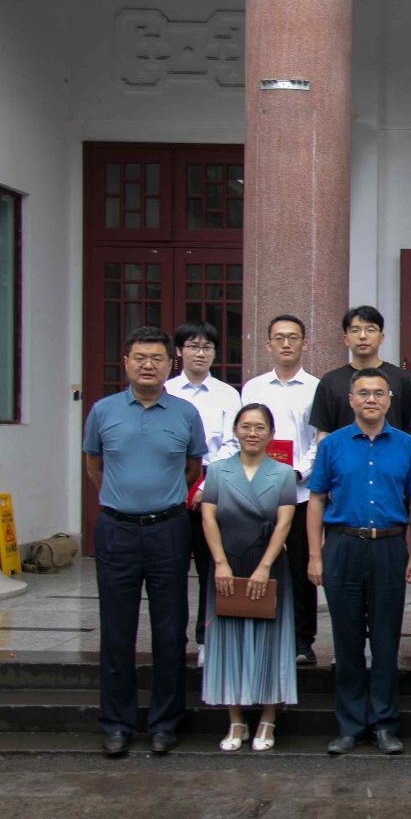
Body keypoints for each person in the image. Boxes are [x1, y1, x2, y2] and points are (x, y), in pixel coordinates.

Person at [83, 326, 206, 757]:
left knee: (170, 629)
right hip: (117, 529)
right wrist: (124, 499)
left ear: (170, 364)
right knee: (117, 630)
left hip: (168, 529)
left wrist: (158, 500)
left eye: (157, 358)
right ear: (126, 363)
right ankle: (116, 724)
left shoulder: (186, 414)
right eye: (140, 357)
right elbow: (94, 465)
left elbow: (192, 469)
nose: (148, 365)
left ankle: (165, 723)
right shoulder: (103, 411)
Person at [307, 367, 411, 756]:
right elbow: (316, 500)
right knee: (348, 639)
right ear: (351, 400)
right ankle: (350, 725)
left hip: (389, 547)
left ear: (389, 400)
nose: (371, 399)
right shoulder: (332, 445)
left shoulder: (407, 446)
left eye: (378, 393)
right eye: (363, 393)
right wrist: (315, 555)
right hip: (343, 546)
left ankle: (385, 724)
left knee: (386, 640)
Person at [200, 404, 298, 753]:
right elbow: (208, 518)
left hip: (268, 564)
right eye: (245, 426)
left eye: (259, 427)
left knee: (270, 639)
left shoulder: (284, 474)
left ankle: (268, 718)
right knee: (229, 638)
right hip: (228, 562)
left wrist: (265, 566)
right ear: (235, 431)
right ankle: (236, 720)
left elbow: (285, 522)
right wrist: (220, 563)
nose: (252, 433)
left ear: (271, 434)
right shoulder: (217, 471)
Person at [240, 314, 322, 667]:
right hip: (259, 491)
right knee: (260, 563)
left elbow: (320, 439)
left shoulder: (317, 387)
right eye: (279, 338)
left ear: (305, 343)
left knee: (302, 568)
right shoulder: (253, 388)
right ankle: (262, 633)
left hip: (300, 492)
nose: (286, 344)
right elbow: (244, 435)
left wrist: (299, 471)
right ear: (268, 344)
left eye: (293, 337)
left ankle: (303, 640)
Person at [164, 321, 241, 667]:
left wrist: (205, 487)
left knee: (212, 568)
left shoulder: (228, 394)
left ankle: (206, 638)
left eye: (207, 346)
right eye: (193, 346)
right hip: (170, 485)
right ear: (179, 351)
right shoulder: (166, 391)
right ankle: (172, 637)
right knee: (171, 569)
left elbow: (232, 442)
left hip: (214, 484)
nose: (200, 353)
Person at [310, 305, 411, 440]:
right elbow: (323, 431)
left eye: (370, 330)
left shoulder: (401, 379)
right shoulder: (330, 381)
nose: (362, 336)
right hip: (344, 453)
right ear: (346, 339)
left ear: (381, 338)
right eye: (355, 330)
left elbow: (410, 430)